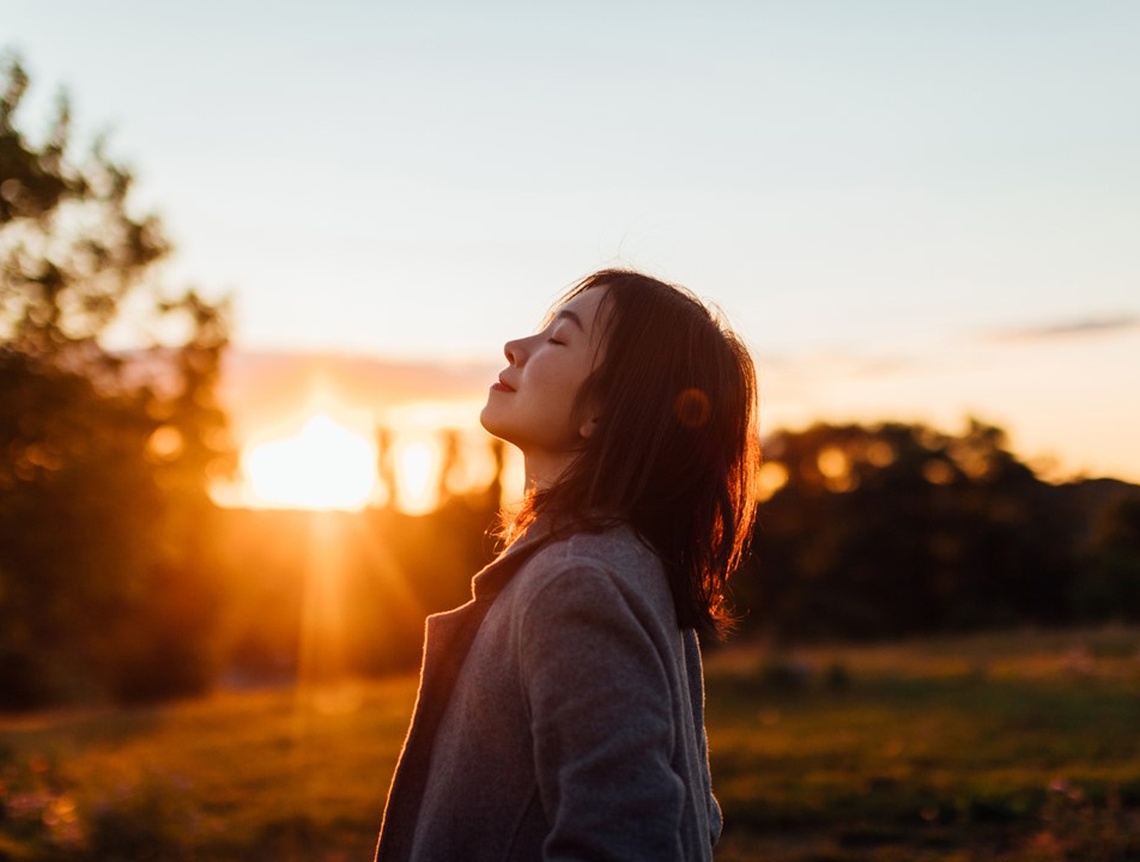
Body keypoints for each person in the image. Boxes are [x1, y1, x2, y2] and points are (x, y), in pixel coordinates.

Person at [374, 269, 760, 861]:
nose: (515, 347)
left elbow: (627, 842)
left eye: (557, 340)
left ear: (604, 412)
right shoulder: (628, 561)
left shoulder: (577, 583)